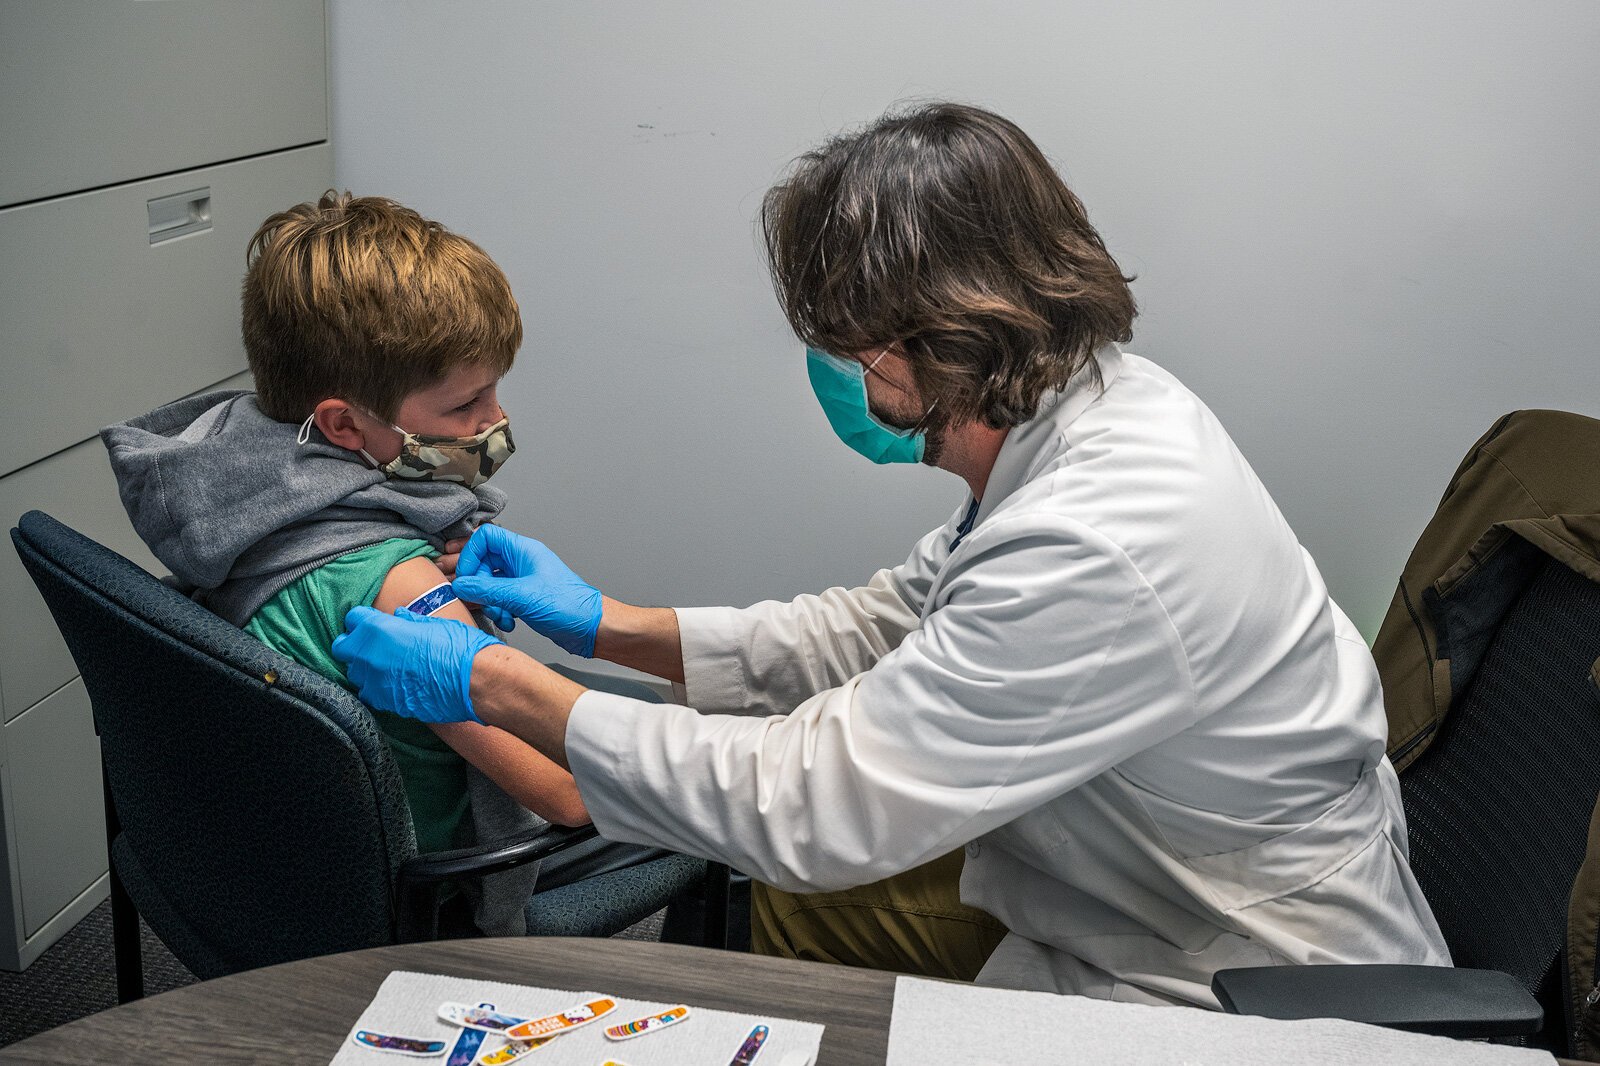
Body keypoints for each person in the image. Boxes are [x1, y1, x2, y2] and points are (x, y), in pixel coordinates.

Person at [331, 104, 1451, 1006]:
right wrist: (608, 623)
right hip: (1127, 868)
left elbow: (817, 799)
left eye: (852, 344)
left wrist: (499, 681)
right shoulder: (1080, 414)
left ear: (937, 337)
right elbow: (884, 621)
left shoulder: (1100, 536)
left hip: (1232, 969)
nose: (842, 369)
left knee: (806, 876)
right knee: (788, 911)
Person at [103, 191, 699, 938]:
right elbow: (567, 798)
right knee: (715, 820)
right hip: (430, 880)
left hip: (276, 861)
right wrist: (701, 759)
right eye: (465, 406)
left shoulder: (234, 488)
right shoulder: (401, 583)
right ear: (344, 424)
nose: (495, 421)